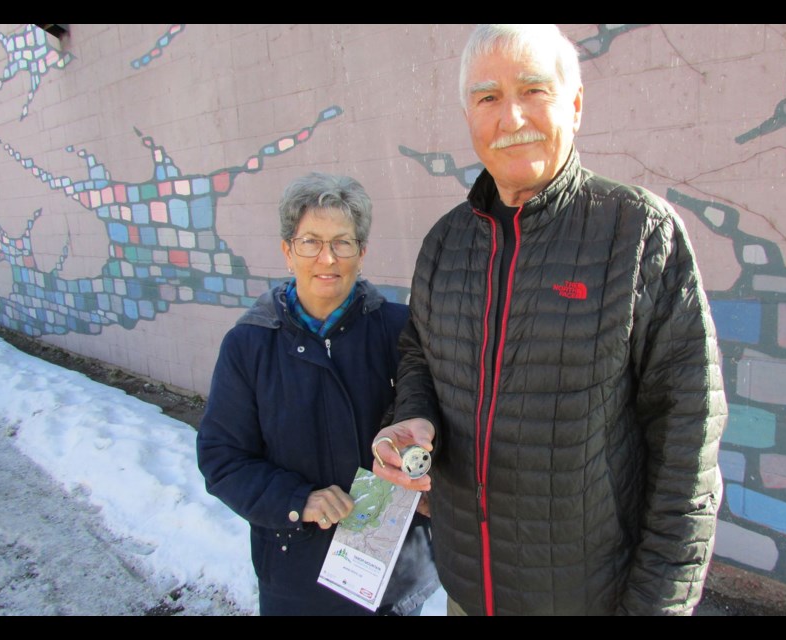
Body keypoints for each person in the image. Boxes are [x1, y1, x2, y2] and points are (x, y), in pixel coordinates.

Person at [371, 24, 727, 616]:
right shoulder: (444, 243)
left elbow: (688, 443)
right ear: (469, 117)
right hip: (466, 589)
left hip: (589, 599)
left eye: (533, 90)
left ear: (576, 104)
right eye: (488, 98)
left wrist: (657, 607)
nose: (511, 118)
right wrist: (411, 418)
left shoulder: (638, 233)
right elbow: (419, 358)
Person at [197, 172, 439, 616]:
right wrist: (297, 500)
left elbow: (444, 425)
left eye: (343, 242)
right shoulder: (251, 345)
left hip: (392, 573)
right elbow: (222, 458)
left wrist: (433, 485)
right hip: (296, 575)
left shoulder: (402, 331)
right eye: (310, 241)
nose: (327, 258)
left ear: (362, 253)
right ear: (288, 251)